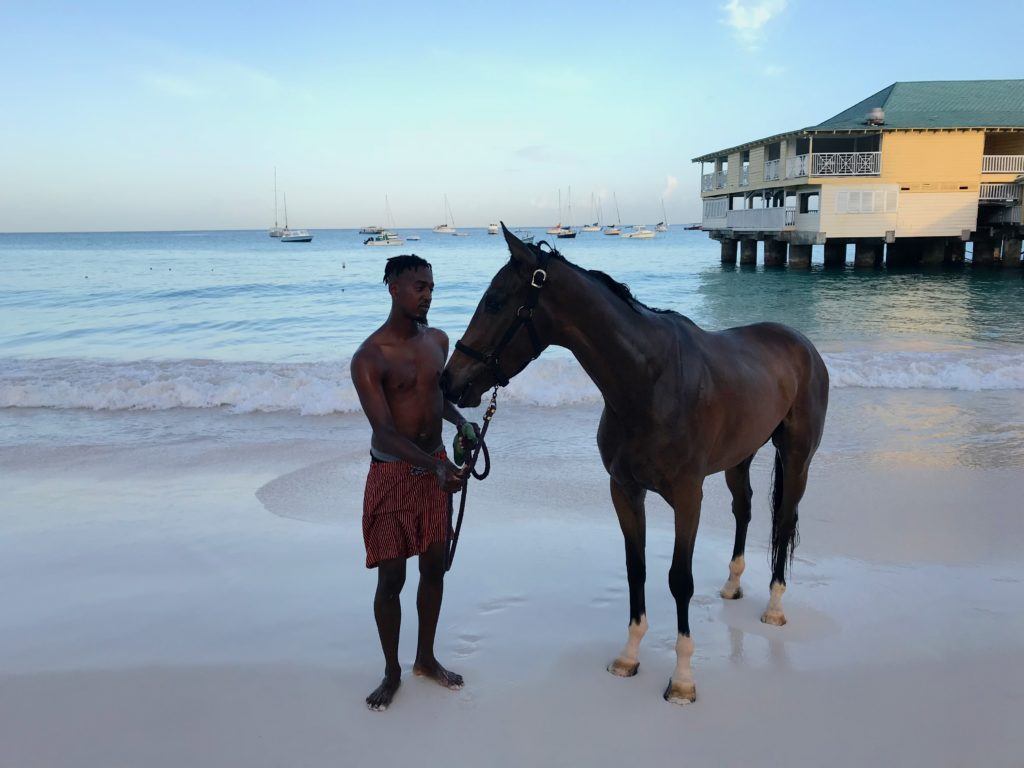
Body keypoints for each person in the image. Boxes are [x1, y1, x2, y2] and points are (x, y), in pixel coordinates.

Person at [350, 254, 474, 712]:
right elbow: (383, 431)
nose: (427, 294)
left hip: (436, 467)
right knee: (392, 578)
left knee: (435, 568)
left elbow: (436, 399)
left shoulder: (438, 341)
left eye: (431, 286)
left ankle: (425, 659)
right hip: (393, 475)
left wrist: (461, 424)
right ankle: (392, 670)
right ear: (393, 289)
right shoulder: (369, 357)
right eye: (418, 286)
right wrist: (434, 466)